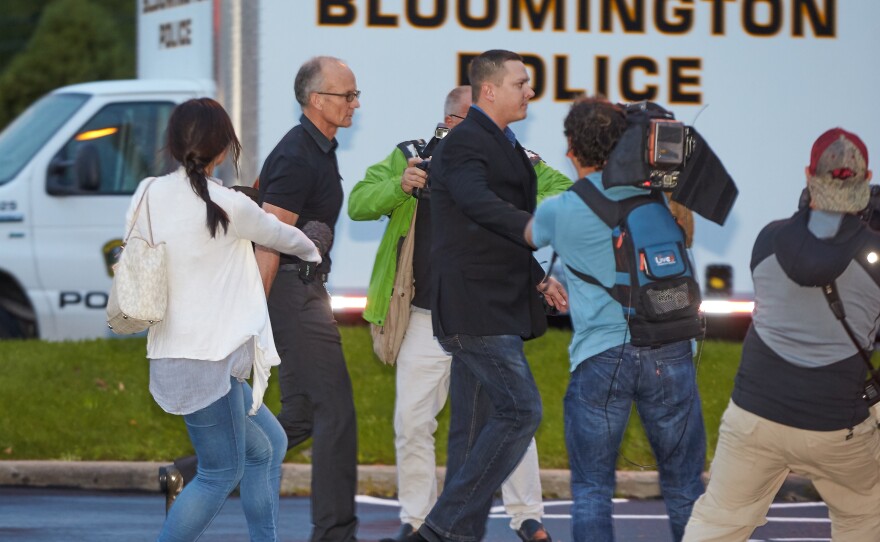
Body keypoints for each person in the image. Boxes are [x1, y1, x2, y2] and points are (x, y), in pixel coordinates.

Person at [348, 85, 572, 542]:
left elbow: (565, 195)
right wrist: (400, 185)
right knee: (412, 422)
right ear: (450, 122)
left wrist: (512, 196)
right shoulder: (413, 155)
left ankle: (527, 516)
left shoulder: (518, 160)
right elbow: (358, 202)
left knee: (511, 413)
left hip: (489, 316)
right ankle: (417, 519)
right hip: (427, 316)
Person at [134, 98, 322, 541]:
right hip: (206, 361)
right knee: (220, 472)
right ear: (222, 150)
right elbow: (281, 235)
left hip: (185, 354)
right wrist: (313, 250)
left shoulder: (149, 193)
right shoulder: (228, 204)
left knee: (269, 447)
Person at [682, 128, 880, 541]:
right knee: (864, 518)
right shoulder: (873, 257)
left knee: (718, 522)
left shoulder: (768, 239)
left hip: (756, 415)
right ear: (867, 178)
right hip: (835, 424)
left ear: (809, 175)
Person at [525, 97, 706, 542]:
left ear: (571, 148)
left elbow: (526, 234)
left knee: (591, 489)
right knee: (684, 489)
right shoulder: (657, 197)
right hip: (673, 350)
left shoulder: (561, 210)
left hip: (601, 357)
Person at [409, 50, 567, 542]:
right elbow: (480, 205)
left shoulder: (506, 143)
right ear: (490, 90)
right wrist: (532, 227)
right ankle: (437, 529)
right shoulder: (461, 146)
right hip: (474, 311)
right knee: (522, 411)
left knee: (474, 436)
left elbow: (490, 230)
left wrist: (537, 277)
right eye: (522, 83)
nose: (530, 92)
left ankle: (454, 535)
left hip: (496, 304)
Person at [253, 55, 361, 542]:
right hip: (291, 294)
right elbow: (267, 237)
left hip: (303, 288)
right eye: (346, 95)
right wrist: (253, 314)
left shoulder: (318, 149)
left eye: (355, 95)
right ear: (317, 100)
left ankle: (190, 473)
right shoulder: (298, 154)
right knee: (335, 411)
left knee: (299, 416)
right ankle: (335, 533)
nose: (354, 103)